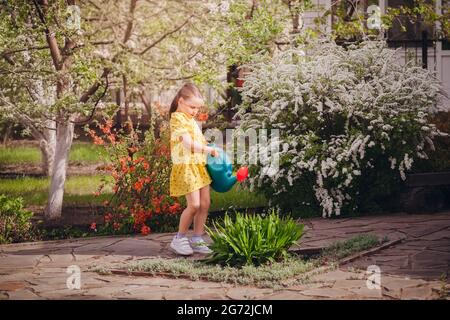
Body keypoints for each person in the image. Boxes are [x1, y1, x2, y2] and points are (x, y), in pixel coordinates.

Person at [168, 83, 219, 255]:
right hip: (186, 166)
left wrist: (211, 150)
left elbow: (200, 142)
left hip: (198, 166)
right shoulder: (177, 118)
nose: (195, 111)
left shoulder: (191, 120)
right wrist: (207, 150)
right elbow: (187, 143)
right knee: (194, 204)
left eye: (197, 108)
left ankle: (197, 238)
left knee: (205, 204)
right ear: (181, 101)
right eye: (192, 107)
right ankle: (179, 238)